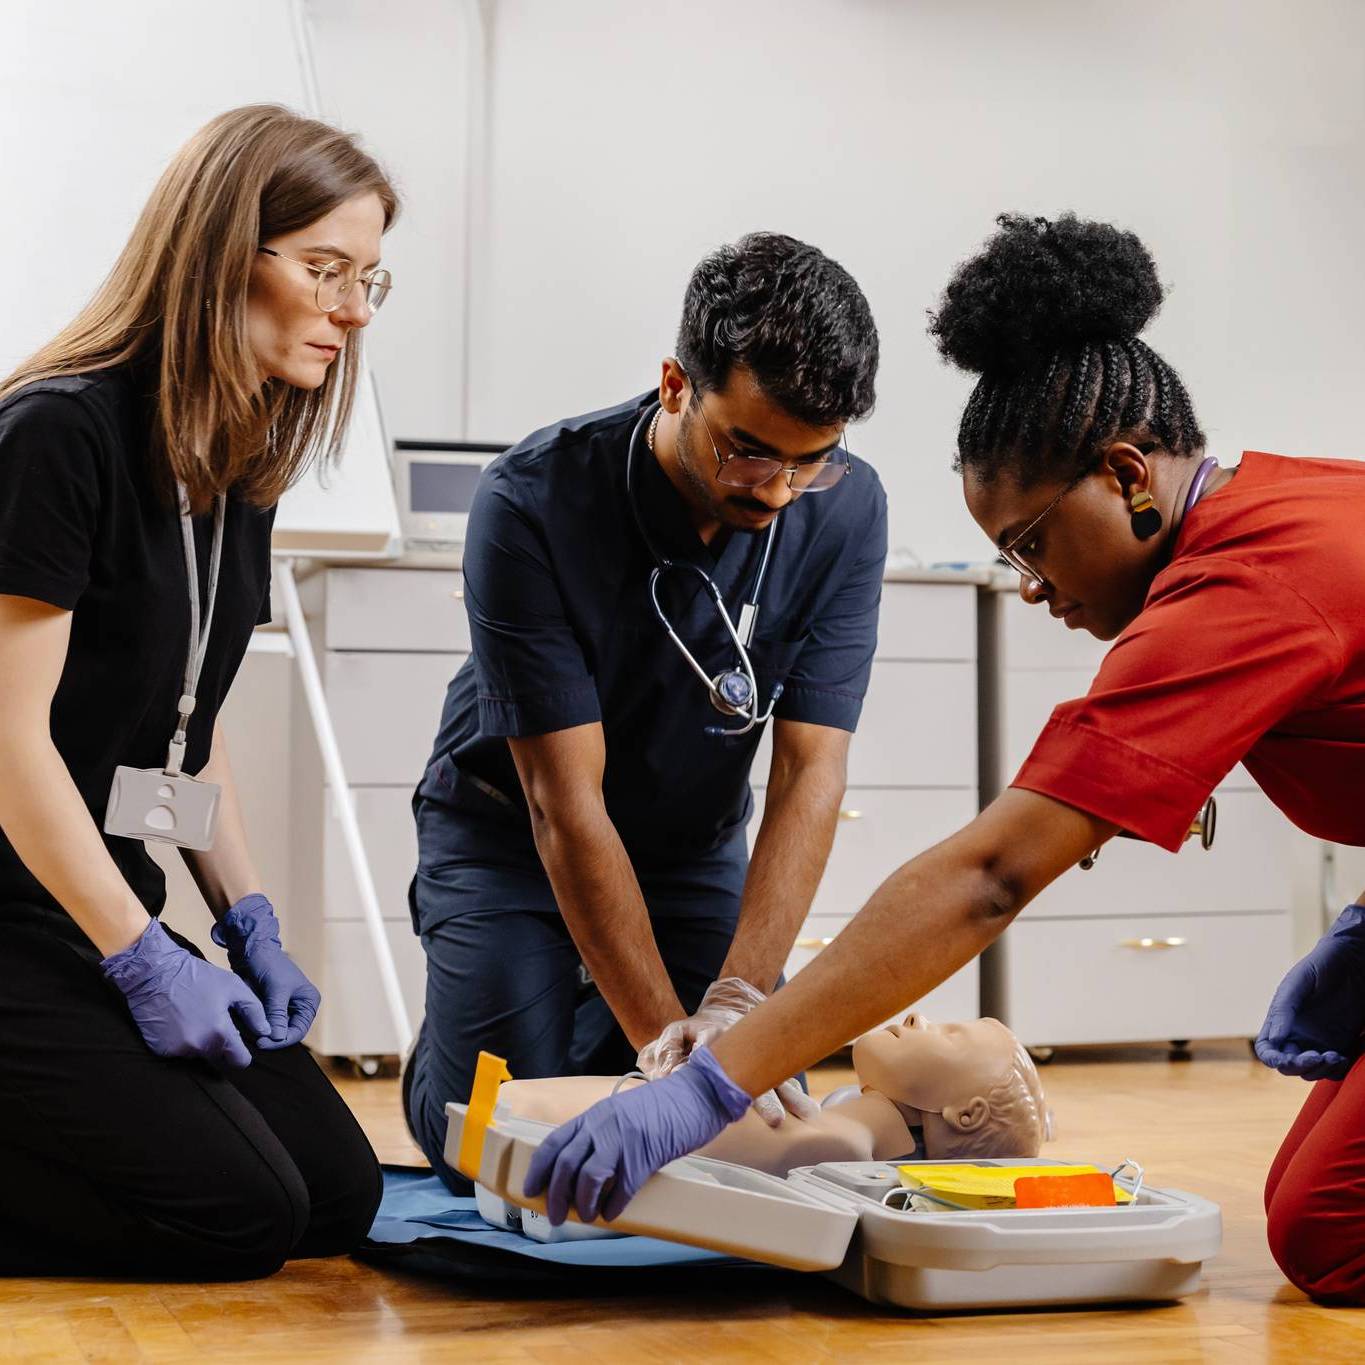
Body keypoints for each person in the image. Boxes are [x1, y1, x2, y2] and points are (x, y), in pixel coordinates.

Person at [524, 214, 1365, 1306]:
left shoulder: (1244, 588)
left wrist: (714, 1086)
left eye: (1028, 543)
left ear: (1124, 474)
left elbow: (990, 876)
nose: (1028, 584)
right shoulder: (1286, 499)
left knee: (1330, 1231)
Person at [0, 104, 397, 1280]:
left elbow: (183, 727)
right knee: (239, 1215)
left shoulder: (237, 465)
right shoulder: (56, 437)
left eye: (371, 279)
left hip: (91, 908)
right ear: (225, 255)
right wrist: (140, 958)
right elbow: (12, 743)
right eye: (325, 272)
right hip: (19, 922)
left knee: (337, 1193)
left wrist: (244, 923)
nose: (353, 311)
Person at [403, 232, 887, 1190]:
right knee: (493, 1138)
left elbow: (808, 770)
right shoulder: (532, 499)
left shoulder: (846, 508)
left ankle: (585, 1019)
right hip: (509, 834)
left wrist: (741, 1001)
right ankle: (494, 1019)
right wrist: (667, 1050)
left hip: (687, 845)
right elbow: (562, 806)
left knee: (744, 1131)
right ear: (676, 384)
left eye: (811, 460)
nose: (780, 490)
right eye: (749, 451)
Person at [497, 1014, 1048, 1184]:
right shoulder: (831, 1127)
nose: (915, 1017)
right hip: (516, 1120)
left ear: (965, 1115)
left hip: (518, 1122)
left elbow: (662, 1132)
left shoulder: (836, 1145)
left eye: (950, 1033)